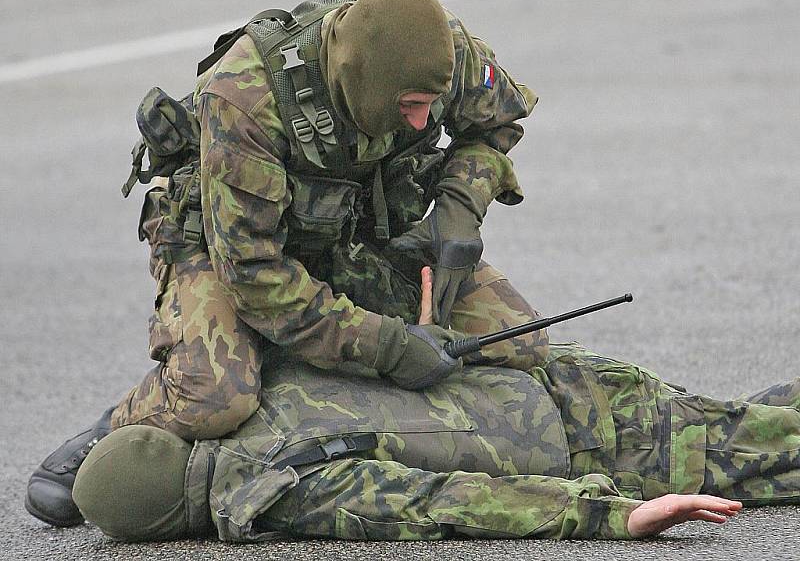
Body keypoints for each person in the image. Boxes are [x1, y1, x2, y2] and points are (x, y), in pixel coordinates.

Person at [26, 0, 550, 527]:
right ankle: (125, 421)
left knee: (519, 339)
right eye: (410, 107)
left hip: (354, 231)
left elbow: (496, 123)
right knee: (216, 396)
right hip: (224, 248)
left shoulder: (443, 52)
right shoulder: (245, 97)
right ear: (366, 82)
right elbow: (255, 275)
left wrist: (459, 207)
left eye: (430, 106)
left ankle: (299, 364)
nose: (422, 122)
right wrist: (389, 347)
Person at [67, 271, 800, 542]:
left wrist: (609, 516)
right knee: (752, 429)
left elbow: (440, 501)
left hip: (600, 447)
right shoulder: (249, 393)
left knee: (765, 445)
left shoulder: (269, 489)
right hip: (564, 388)